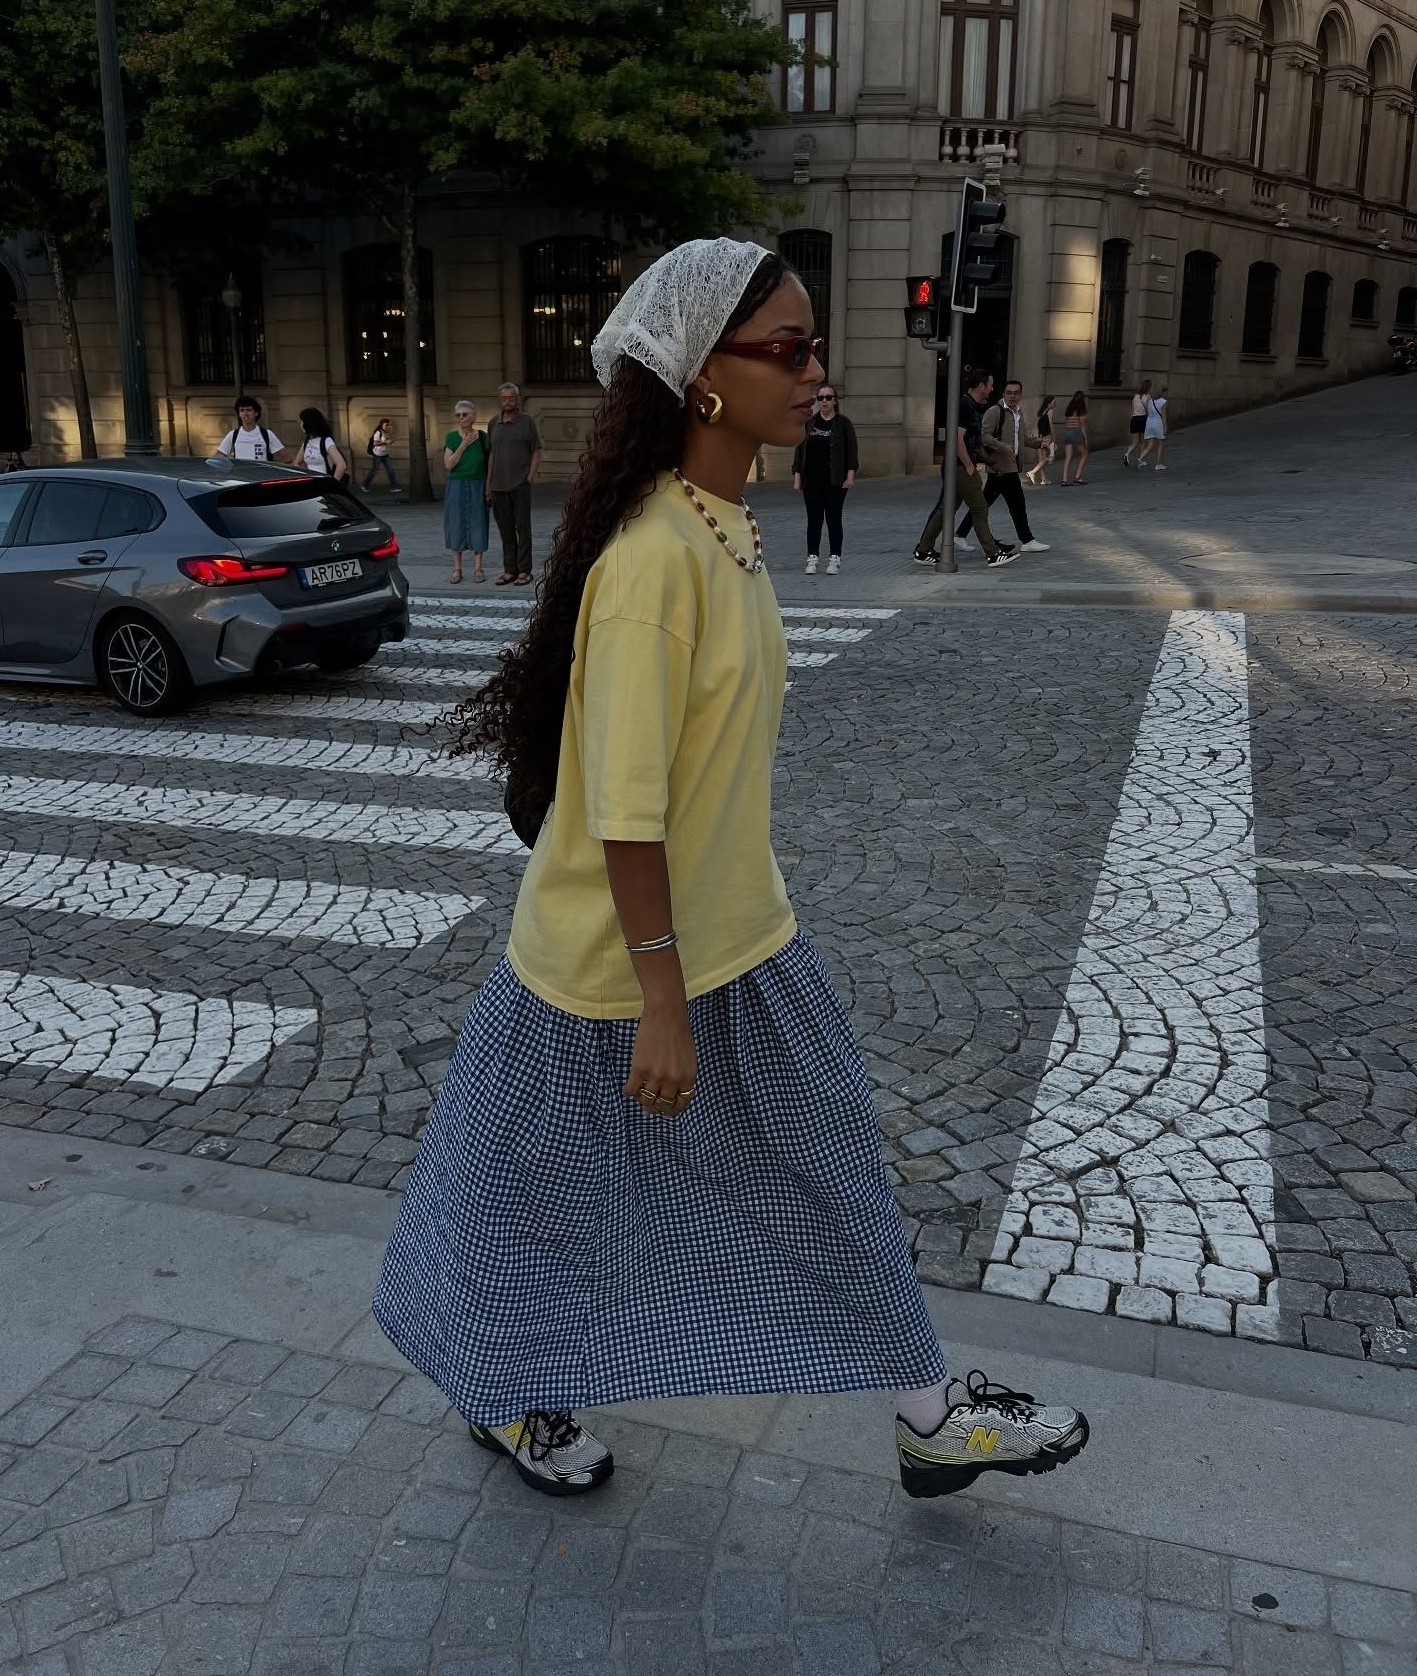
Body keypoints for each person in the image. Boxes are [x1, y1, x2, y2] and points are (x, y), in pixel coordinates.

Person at [371, 239, 1088, 1499]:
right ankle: (511, 1398)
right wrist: (660, 999)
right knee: (530, 1211)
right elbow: (628, 815)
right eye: (791, 349)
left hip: (744, 940)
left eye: (814, 346)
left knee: (833, 1176)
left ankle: (928, 1416)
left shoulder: (726, 530)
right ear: (700, 376)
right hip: (606, 971)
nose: (818, 371)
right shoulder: (655, 563)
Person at [912, 367, 1017, 569]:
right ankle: (993, 554)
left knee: (946, 510)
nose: (992, 389)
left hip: (959, 467)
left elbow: (973, 442)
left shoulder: (973, 406)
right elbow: (957, 438)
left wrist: (989, 462)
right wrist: (969, 465)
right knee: (979, 508)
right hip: (959, 467)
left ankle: (923, 551)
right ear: (981, 386)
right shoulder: (965, 406)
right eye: (990, 385)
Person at [956, 377, 1051, 553]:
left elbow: (1023, 439)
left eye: (1016, 393)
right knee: (1016, 504)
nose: (1012, 396)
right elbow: (983, 436)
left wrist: (1040, 443)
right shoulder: (995, 411)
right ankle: (1027, 540)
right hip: (1000, 466)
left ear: (1020, 395)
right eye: (1009, 393)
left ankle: (960, 535)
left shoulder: (1019, 413)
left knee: (984, 504)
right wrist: (1001, 446)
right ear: (1003, 394)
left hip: (1008, 467)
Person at [792, 383, 858, 575]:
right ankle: (812, 558)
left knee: (833, 519)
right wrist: (797, 477)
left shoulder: (843, 423)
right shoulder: (809, 423)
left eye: (828, 397)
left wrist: (850, 476)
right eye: (820, 398)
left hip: (835, 481)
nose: (824, 401)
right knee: (814, 520)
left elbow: (852, 452)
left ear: (835, 401)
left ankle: (834, 559)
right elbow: (799, 451)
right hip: (811, 481)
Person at [485, 382, 543, 585]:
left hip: (520, 485)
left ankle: (525, 571)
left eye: (511, 397)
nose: (507, 401)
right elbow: (491, 455)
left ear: (517, 400)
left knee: (523, 529)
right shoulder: (493, 423)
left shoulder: (527, 422)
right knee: (506, 530)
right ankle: (510, 570)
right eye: (504, 398)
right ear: (499, 400)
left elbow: (536, 450)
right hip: (498, 487)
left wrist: (530, 477)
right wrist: (488, 484)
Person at [443, 401, 489, 585]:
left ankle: (478, 568)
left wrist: (489, 485)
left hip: (478, 484)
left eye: (465, 414)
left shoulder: (483, 437)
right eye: (458, 415)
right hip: (457, 485)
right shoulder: (452, 437)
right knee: (456, 524)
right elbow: (449, 465)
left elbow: (488, 463)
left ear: (474, 416)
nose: (461, 418)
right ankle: (457, 569)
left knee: (478, 523)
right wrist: (463, 445)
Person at [291, 407, 348, 483]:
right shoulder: (307, 442)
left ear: (309, 422)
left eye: (302, 421)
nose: (301, 424)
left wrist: (332, 485)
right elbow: (296, 463)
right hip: (311, 486)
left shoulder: (326, 441)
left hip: (324, 487)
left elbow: (341, 465)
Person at [216, 398, 283, 463]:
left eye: (249, 410)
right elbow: (217, 458)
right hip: (239, 474)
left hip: (261, 474)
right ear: (239, 414)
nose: (245, 413)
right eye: (242, 410)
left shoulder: (267, 434)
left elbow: (287, 458)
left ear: (256, 413)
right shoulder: (233, 435)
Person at [360, 418, 402, 493]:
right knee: (374, 471)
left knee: (390, 471)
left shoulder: (386, 432)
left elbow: (386, 441)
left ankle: (394, 487)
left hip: (385, 454)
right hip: (377, 455)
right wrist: (386, 442)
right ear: (381, 425)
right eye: (386, 425)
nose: (387, 426)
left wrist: (390, 441)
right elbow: (375, 443)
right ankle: (364, 485)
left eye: (388, 425)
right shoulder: (378, 432)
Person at [1025, 394, 1057, 486]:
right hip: (1047, 438)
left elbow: (1036, 425)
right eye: (1054, 402)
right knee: (1047, 458)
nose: (1055, 404)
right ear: (1049, 403)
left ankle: (1044, 479)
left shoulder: (1042, 411)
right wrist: (1054, 438)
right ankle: (1032, 472)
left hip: (1039, 438)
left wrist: (1033, 436)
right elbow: (1051, 424)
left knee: (1041, 460)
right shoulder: (1050, 411)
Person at [1059, 392, 1090, 486]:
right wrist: (1085, 438)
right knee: (1085, 454)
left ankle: (1064, 480)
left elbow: (1066, 422)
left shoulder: (1069, 409)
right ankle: (1077, 477)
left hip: (1067, 432)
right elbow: (1083, 426)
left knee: (1068, 457)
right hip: (1076, 432)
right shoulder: (1081, 410)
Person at [1136, 386, 1169, 469]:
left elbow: (1148, 412)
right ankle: (1158, 464)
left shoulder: (1149, 401)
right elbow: (1163, 416)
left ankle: (1140, 458)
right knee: (1160, 444)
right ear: (1161, 392)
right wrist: (1165, 427)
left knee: (1150, 444)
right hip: (1158, 423)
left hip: (1149, 423)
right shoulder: (1163, 401)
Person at [1123, 380, 1152, 468]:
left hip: (1134, 419)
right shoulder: (1148, 397)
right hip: (1142, 419)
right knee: (1143, 441)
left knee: (1135, 442)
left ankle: (1127, 454)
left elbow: (1132, 409)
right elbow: (1149, 410)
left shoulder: (1135, 396)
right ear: (1148, 387)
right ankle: (1140, 460)